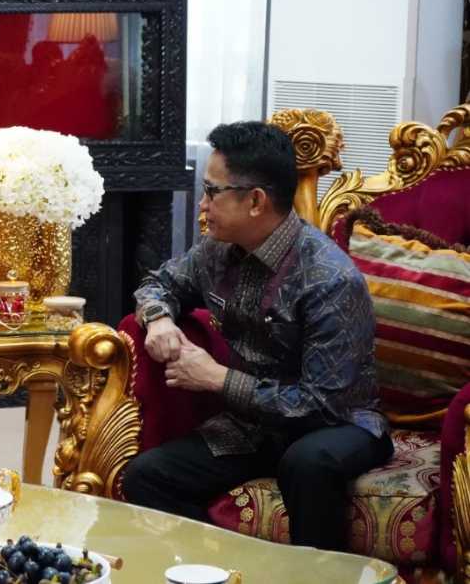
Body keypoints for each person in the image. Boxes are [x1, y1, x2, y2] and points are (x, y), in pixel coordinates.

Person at [121, 121, 391, 551]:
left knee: (308, 462)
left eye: (212, 192)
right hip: (254, 427)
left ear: (255, 201)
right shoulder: (217, 250)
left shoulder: (328, 279)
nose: (202, 206)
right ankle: (226, 572)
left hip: (340, 425)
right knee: (147, 476)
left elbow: (322, 404)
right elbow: (159, 283)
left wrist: (218, 379)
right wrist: (159, 320)